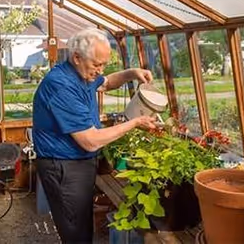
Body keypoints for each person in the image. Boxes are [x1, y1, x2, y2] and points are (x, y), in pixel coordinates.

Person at [32, 28, 157, 243]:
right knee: (75, 231)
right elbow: (90, 141)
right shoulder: (61, 85)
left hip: (77, 163)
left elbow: (106, 83)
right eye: (96, 64)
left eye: (104, 64)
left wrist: (131, 73)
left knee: (80, 222)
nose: (100, 70)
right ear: (77, 57)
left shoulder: (82, 74)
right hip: (64, 166)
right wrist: (135, 122)